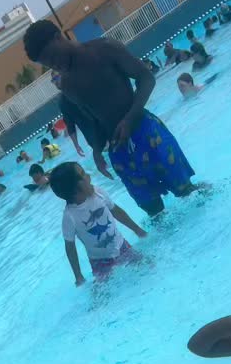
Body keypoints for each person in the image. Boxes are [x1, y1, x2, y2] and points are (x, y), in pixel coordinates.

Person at [24, 20, 198, 218]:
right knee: (155, 213)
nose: (53, 64)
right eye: (47, 63)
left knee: (188, 192)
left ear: (58, 38)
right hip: (120, 151)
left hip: (147, 133)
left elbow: (146, 78)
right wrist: (97, 150)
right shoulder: (68, 84)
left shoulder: (105, 49)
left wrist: (129, 119)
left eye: (52, 56)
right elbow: (93, 119)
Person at [49, 162, 146, 285]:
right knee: (102, 291)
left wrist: (137, 229)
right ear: (75, 189)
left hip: (121, 246)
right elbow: (70, 247)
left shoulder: (98, 193)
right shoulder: (70, 216)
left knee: (146, 264)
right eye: (83, 174)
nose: (88, 175)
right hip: (99, 261)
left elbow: (116, 211)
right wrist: (78, 275)